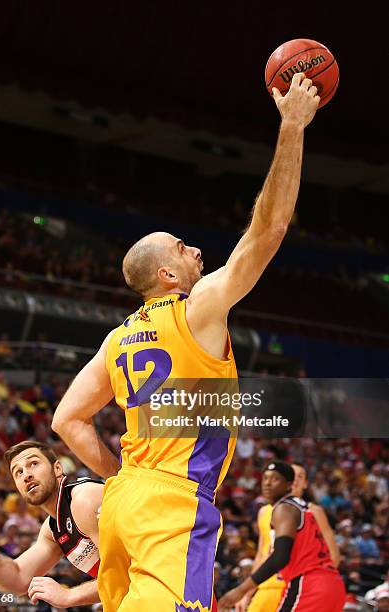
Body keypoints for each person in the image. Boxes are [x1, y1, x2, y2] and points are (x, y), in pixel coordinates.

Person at [52, 72, 321, 612]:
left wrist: (122, 478)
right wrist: (292, 127)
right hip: (172, 503)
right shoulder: (197, 309)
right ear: (167, 277)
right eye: (181, 247)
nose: (195, 249)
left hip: (126, 504)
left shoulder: (117, 338)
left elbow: (67, 420)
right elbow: (266, 232)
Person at [0, 441, 103, 608]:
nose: (26, 475)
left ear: (58, 469)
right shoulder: (53, 528)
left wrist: (69, 596)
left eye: (34, 463)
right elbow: (17, 578)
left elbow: (127, 569)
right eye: (18, 472)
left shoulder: (84, 499)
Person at [218, 461, 346, 611]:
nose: (267, 483)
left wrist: (241, 590)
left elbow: (280, 556)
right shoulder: (304, 509)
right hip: (330, 584)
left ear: (288, 484)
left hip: (309, 582)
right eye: (265, 478)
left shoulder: (284, 508)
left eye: (275, 479)